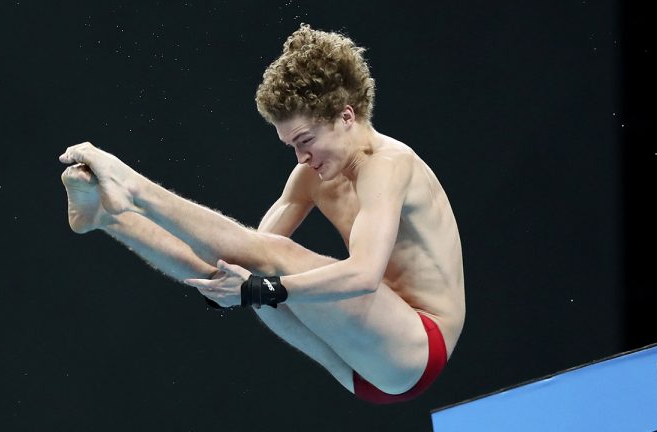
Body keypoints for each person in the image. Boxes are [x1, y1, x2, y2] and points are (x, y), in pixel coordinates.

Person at [59, 24, 465, 404]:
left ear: (346, 116)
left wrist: (262, 288)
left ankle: (133, 186)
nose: (302, 157)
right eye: (290, 145)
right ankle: (110, 218)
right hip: (364, 368)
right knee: (237, 268)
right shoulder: (310, 174)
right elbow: (242, 252)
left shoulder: (389, 164)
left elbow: (363, 275)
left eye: (305, 139)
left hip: (418, 346)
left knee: (270, 270)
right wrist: (236, 287)